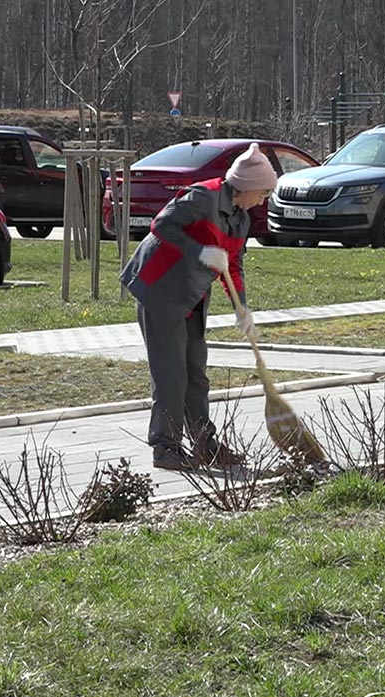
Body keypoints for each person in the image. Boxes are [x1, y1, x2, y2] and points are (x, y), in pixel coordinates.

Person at [120, 143, 276, 471]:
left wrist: (241, 308)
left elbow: (233, 265)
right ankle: (165, 447)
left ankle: (204, 444)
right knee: (171, 374)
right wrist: (199, 251)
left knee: (196, 372)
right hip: (160, 289)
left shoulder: (240, 220)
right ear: (246, 186)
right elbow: (161, 226)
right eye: (262, 193)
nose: (263, 201)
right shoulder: (203, 197)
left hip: (191, 294)